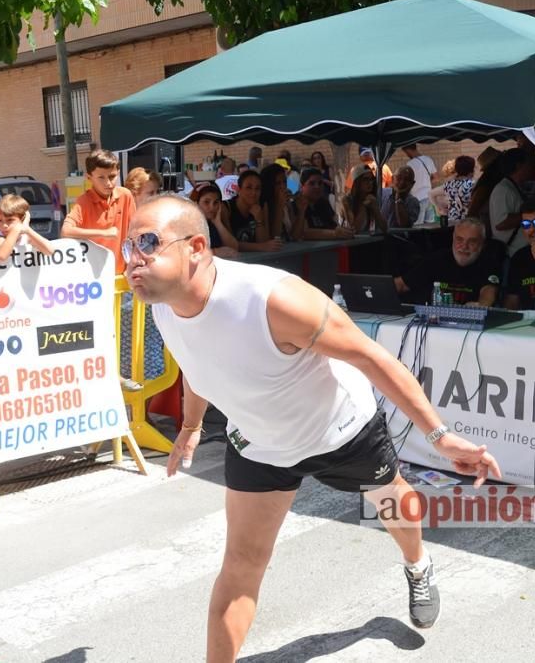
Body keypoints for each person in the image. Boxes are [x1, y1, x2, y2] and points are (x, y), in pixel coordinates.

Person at [123, 196, 501, 661]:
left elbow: (371, 356)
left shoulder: (275, 300)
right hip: (261, 446)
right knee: (241, 566)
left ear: (197, 246)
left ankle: (417, 565)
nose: (133, 259)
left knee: (393, 505)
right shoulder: (163, 304)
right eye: (128, 247)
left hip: (342, 431)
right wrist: (191, 425)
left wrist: (440, 437)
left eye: (147, 243)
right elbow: (200, 366)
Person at [395, 218, 500, 306]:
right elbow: (402, 285)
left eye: (472, 241)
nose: (464, 246)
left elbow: (488, 293)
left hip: (470, 325)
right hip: (433, 322)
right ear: (453, 239)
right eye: (459, 239)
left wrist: (480, 306)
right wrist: (380, 291)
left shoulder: (489, 263)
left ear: (482, 244)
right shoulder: (437, 259)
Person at [61, 149, 137, 271]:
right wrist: (104, 233)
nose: (108, 183)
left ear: (118, 172)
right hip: (94, 274)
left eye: (112, 176)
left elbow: (135, 232)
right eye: (101, 177)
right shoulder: (83, 201)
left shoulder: (125, 195)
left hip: (122, 271)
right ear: (89, 178)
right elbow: (66, 231)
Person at [488, 148, 535, 258]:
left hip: (520, 252)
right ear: (519, 165)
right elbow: (500, 223)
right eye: (528, 164)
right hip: (512, 255)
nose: (531, 168)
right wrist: (530, 216)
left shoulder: (512, 187)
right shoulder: (503, 190)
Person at [220, 170, 281, 252]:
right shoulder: (226, 207)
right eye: (249, 188)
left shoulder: (262, 206)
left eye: (257, 188)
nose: (253, 193)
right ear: (238, 190)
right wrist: (260, 247)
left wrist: (259, 220)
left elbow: (265, 242)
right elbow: (230, 244)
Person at [0, 194, 55, 264]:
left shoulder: (26, 236)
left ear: (22, 219)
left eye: (10, 220)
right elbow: (1, 257)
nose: (4, 225)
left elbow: (50, 251)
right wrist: (16, 230)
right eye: (0, 220)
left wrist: (27, 229)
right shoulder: (0, 238)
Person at [293, 167, 353, 240]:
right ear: (302, 187)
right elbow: (303, 232)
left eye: (320, 183)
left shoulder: (323, 203)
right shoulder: (295, 204)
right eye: (312, 183)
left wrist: (344, 231)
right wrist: (334, 234)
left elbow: (333, 226)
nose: (317, 187)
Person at [192, 184, 238, 258]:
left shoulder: (215, 223)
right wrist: (214, 252)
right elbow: (187, 252)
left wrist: (218, 223)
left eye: (216, 202)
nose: (212, 207)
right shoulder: (189, 225)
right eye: (206, 202)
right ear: (196, 203)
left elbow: (234, 248)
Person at [340, 164, 384, 234]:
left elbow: (384, 228)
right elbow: (354, 228)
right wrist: (364, 206)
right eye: (365, 179)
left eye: (371, 179)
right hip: (349, 243)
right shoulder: (346, 200)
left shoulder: (372, 199)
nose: (370, 183)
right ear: (357, 182)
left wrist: (375, 209)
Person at [402, 144, 437, 220]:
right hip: (429, 198)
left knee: (418, 227)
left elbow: (407, 183)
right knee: (430, 226)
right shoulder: (428, 159)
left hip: (417, 199)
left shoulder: (410, 164)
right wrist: (426, 182)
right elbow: (435, 178)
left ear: (408, 150)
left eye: (405, 152)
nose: (406, 155)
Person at [442, 156, 475, 224]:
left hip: (451, 220)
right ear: (470, 170)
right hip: (467, 221)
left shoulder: (447, 184)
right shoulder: (471, 184)